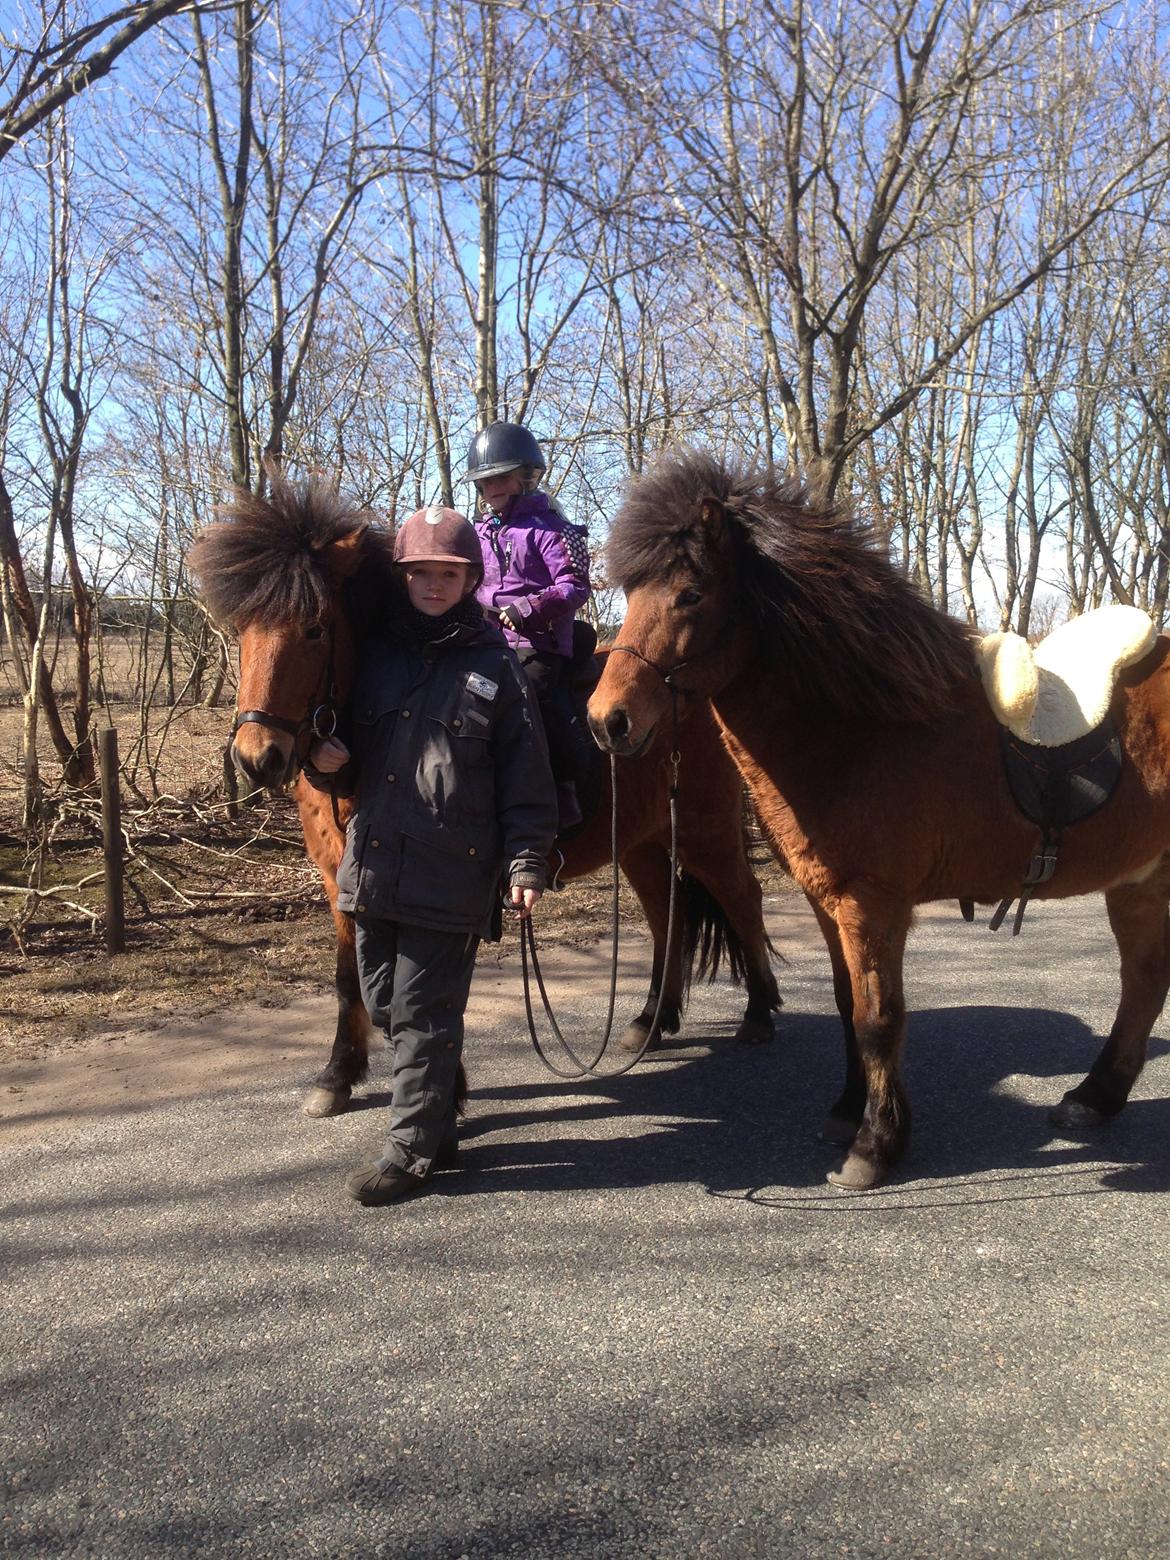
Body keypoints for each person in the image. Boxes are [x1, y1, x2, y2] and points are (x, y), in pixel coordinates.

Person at [305, 504, 557, 1208]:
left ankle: (412, 1151)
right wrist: (327, 762)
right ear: (404, 577)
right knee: (384, 1003)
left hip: (453, 872)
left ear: (471, 577)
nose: (434, 584)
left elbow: (526, 775)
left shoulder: (496, 667)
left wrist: (527, 861)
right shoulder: (377, 658)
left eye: (449, 573)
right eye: (422, 572)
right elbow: (350, 762)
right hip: (376, 867)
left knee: (422, 1013)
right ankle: (437, 1114)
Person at [463, 421, 592, 829]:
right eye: (484, 481)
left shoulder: (554, 529)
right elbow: (469, 582)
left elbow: (575, 585)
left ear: (525, 475)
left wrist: (529, 608)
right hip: (488, 638)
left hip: (539, 641)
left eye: (500, 477)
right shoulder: (478, 533)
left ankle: (564, 785)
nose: (492, 487)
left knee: (534, 694)